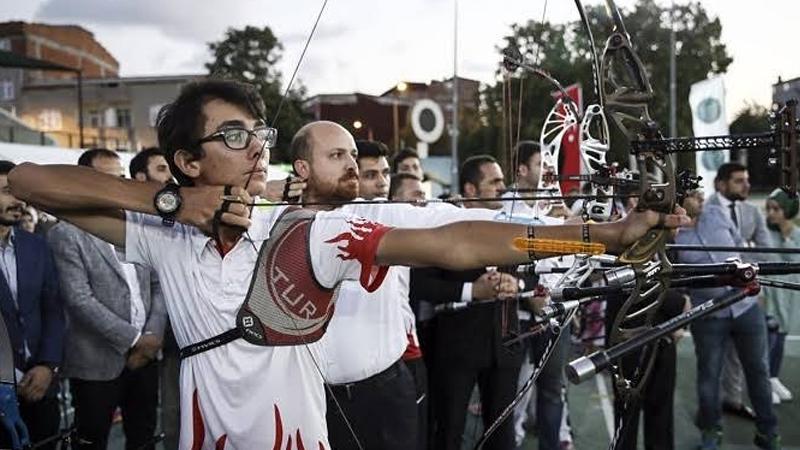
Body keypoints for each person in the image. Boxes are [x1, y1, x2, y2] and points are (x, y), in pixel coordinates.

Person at [8, 79, 685, 449]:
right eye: (235, 136)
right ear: (189, 161)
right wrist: (174, 204)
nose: (253, 151)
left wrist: (604, 234)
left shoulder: (311, 233)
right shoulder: (165, 235)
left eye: (260, 137)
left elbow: (457, 240)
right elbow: (29, 183)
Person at [46, 148, 167, 450]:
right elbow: (79, 299)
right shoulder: (66, 233)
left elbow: (158, 284)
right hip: (96, 362)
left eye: (120, 177)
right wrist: (135, 340)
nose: (116, 185)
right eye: (106, 178)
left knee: (144, 438)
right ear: (83, 182)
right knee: (92, 441)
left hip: (147, 357)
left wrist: (152, 336)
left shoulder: (140, 224)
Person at [675, 182, 779, 450]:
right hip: (709, 314)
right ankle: (711, 432)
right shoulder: (671, 235)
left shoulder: (716, 213)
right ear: (678, 201)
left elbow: (739, 246)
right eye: (692, 195)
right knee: (709, 374)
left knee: (759, 371)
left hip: (746, 306)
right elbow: (677, 278)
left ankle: (768, 433)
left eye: (699, 193)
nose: (700, 196)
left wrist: (755, 283)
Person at [0, 161, 64, 449]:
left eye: (20, 192)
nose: (18, 201)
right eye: (6, 191)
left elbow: (52, 309)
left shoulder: (35, 244)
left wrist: (47, 365)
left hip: (41, 384)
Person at [705, 162, 773, 420]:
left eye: (747, 180)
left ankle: (733, 400)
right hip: (714, 297)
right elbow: (711, 255)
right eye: (739, 181)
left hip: (746, 297)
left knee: (746, 359)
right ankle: (711, 421)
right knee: (711, 363)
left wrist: (742, 261)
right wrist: (742, 251)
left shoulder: (751, 213)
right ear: (721, 184)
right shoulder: (704, 210)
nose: (747, 185)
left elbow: (765, 248)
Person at [129, 146, 180, 449]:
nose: (169, 176)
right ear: (140, 176)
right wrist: (142, 339)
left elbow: (159, 285)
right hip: (161, 347)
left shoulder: (180, 215)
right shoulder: (128, 223)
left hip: (174, 342)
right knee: (172, 422)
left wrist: (152, 334)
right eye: (161, 169)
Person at [762, 188, 800, 403]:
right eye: (769, 208)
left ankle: (773, 377)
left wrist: (787, 237)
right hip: (770, 295)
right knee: (770, 339)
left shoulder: (797, 235)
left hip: (790, 297)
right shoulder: (765, 233)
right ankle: (765, 380)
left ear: (788, 210)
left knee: (781, 338)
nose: (771, 213)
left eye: (776, 209)